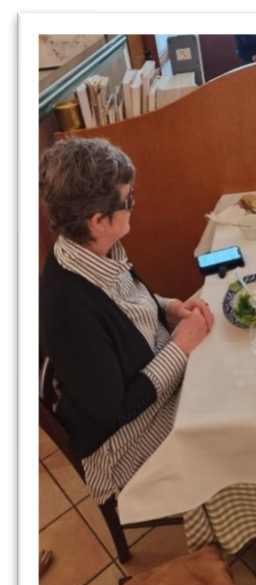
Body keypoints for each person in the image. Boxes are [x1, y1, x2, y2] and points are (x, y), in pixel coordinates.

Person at [39, 137, 214, 506]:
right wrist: (182, 346)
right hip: (123, 441)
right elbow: (116, 409)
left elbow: (130, 306)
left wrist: (169, 309)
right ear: (98, 221)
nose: (134, 205)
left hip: (153, 373)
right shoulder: (67, 308)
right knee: (229, 422)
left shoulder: (94, 247)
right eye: (128, 200)